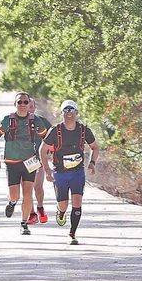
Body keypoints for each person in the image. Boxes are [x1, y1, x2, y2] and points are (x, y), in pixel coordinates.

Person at [0, 91, 51, 235]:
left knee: (28, 193)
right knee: (15, 195)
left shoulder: (36, 120)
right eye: (20, 102)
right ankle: (12, 203)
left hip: (30, 161)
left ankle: (24, 222)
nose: (23, 105)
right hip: (12, 162)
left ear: (30, 104)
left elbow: (47, 137)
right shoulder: (7, 120)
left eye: (26, 102)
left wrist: (46, 153)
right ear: (15, 104)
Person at [41, 98, 99, 245]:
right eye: (66, 110)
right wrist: (47, 170)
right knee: (63, 205)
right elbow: (43, 149)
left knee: (77, 202)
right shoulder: (55, 130)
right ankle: (61, 212)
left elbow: (95, 147)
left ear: (76, 112)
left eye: (71, 110)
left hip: (77, 172)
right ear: (62, 112)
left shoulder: (84, 130)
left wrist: (92, 163)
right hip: (60, 173)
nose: (69, 113)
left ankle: (72, 233)